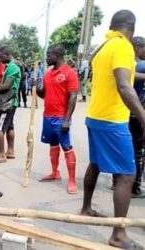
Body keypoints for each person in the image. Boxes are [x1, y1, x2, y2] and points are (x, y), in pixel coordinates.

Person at [81, 10, 145, 249]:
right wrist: (143, 117)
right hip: (111, 121)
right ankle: (118, 234)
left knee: (96, 163)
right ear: (132, 29)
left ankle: (86, 208)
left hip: (95, 117)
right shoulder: (122, 46)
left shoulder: (104, 46)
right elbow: (123, 86)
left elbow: (122, 78)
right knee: (127, 175)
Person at [37, 44, 79, 194]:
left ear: (58, 55)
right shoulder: (48, 73)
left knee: (67, 147)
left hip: (61, 118)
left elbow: (73, 97)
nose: (47, 58)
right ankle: (55, 172)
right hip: (47, 116)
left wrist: (67, 120)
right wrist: (37, 88)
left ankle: (72, 180)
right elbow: (44, 95)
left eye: (49, 55)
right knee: (53, 145)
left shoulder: (69, 73)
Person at [129, 36, 145, 198]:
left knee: (127, 148)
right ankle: (135, 188)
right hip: (138, 113)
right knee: (137, 152)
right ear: (139, 48)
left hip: (125, 113)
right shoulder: (142, 65)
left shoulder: (129, 65)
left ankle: (116, 182)